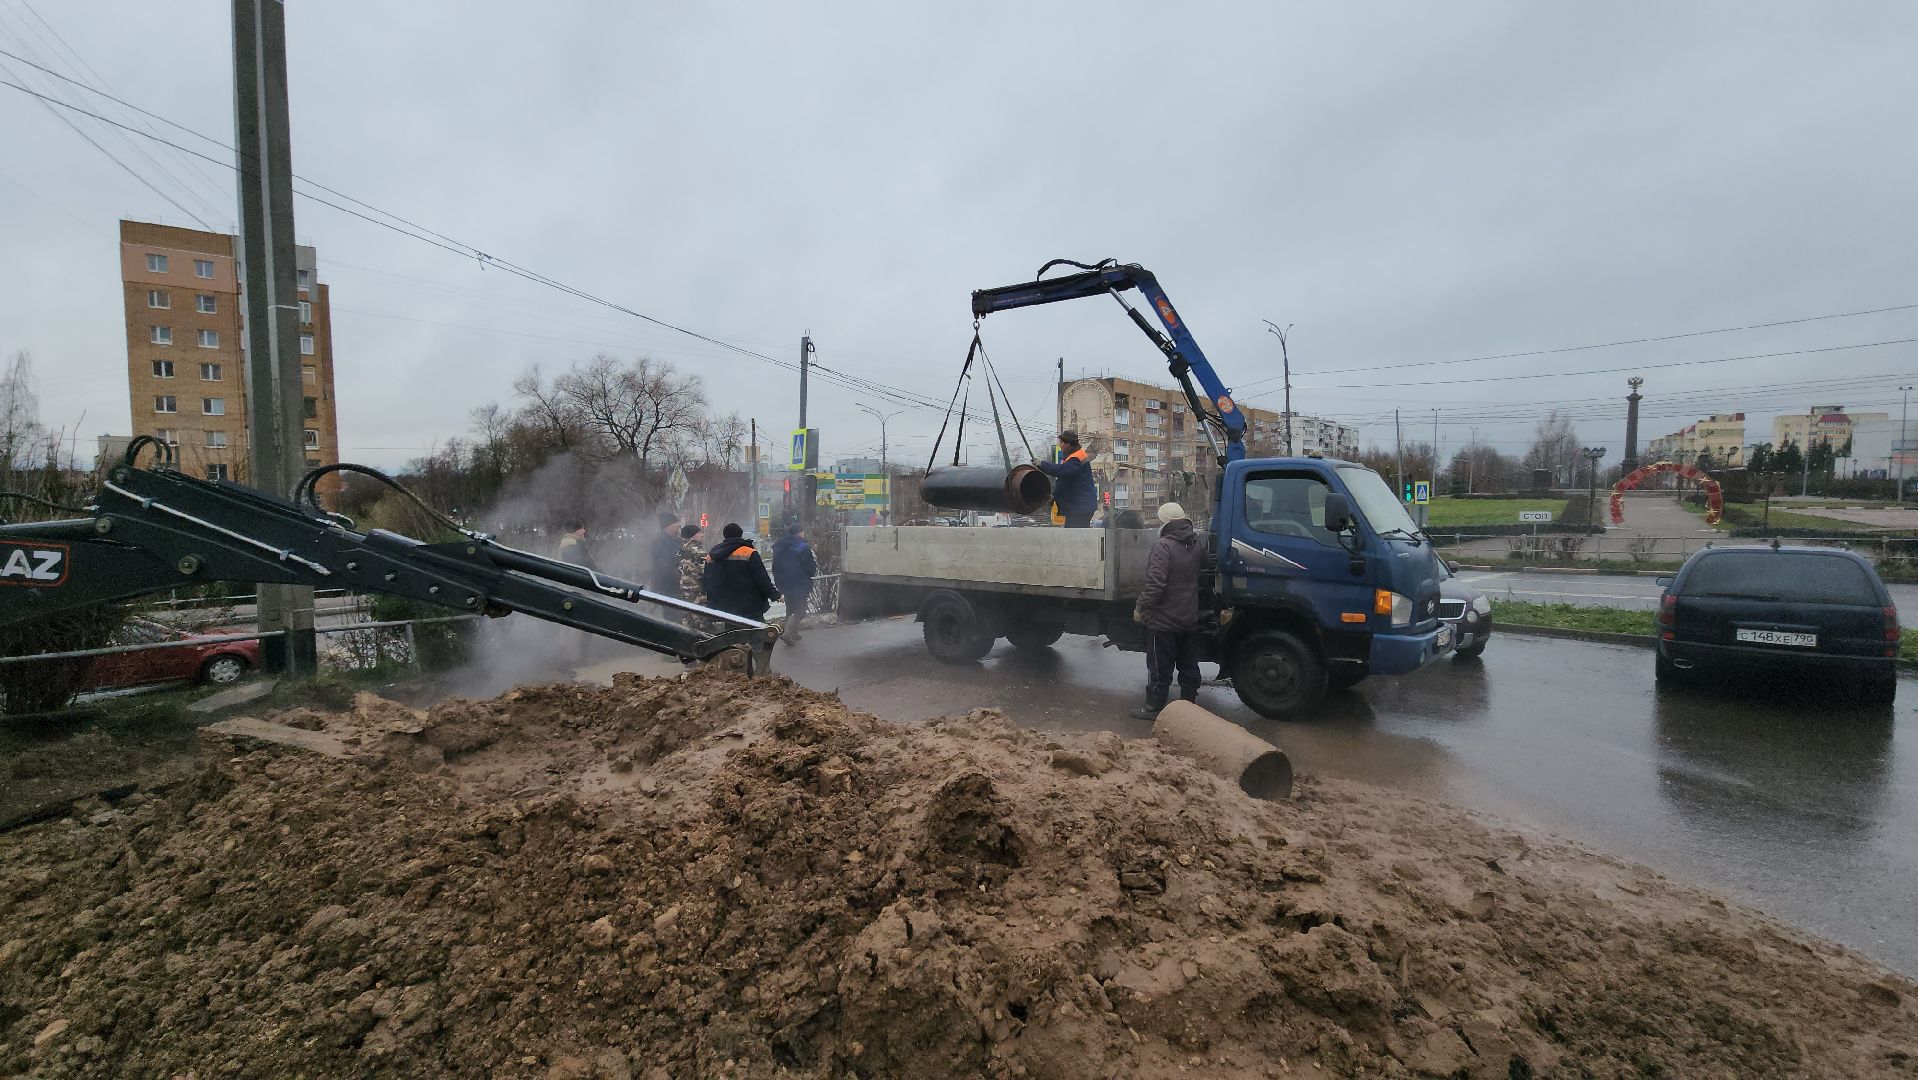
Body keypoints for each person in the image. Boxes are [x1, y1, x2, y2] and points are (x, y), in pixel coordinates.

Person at [1131, 502, 1203, 720]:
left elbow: (1155, 585)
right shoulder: (1195, 543)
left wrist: (1141, 607)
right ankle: (1188, 707)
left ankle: (1154, 708)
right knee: (1188, 665)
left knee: (1160, 668)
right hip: (1188, 616)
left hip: (1163, 620)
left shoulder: (1164, 546)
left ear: (1164, 524)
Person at [701, 522, 780, 620]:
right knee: (756, 633)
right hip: (749, 606)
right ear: (740, 534)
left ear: (724, 535)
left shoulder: (712, 554)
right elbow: (762, 579)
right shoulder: (749, 552)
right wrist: (774, 595)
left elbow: (706, 580)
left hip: (722, 607)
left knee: (729, 634)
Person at [1034, 430, 1097, 528]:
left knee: (1075, 536)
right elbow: (1064, 481)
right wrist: (1054, 496)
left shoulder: (1076, 458)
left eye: (1062, 443)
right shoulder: (1071, 457)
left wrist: (1042, 465)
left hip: (1081, 507)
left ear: (1069, 444)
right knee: (1073, 535)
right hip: (1079, 506)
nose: (1060, 445)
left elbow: (1061, 471)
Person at [771, 524, 818, 644]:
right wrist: (811, 573)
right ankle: (787, 634)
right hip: (799, 582)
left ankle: (793, 633)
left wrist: (778, 580)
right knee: (801, 611)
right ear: (800, 533)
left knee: (790, 609)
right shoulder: (802, 546)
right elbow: (809, 567)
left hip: (784, 582)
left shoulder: (780, 546)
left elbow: (775, 566)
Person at [649, 510, 683, 594]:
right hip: (667, 586)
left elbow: (678, 555)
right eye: (676, 523)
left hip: (672, 584)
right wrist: (681, 577)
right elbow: (664, 566)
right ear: (669, 526)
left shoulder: (674, 540)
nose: (678, 525)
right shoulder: (661, 541)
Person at [675, 523, 707, 604]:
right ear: (692, 536)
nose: (702, 535)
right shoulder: (699, 552)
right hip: (698, 594)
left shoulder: (680, 551)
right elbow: (707, 572)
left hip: (685, 591)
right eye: (699, 533)